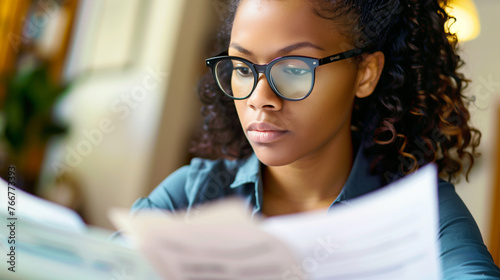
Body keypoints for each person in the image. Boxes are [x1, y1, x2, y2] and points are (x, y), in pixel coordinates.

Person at [132, 0, 500, 278]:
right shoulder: (189, 196)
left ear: (366, 74)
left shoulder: (425, 212)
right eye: (243, 68)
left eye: (294, 68)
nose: (260, 96)